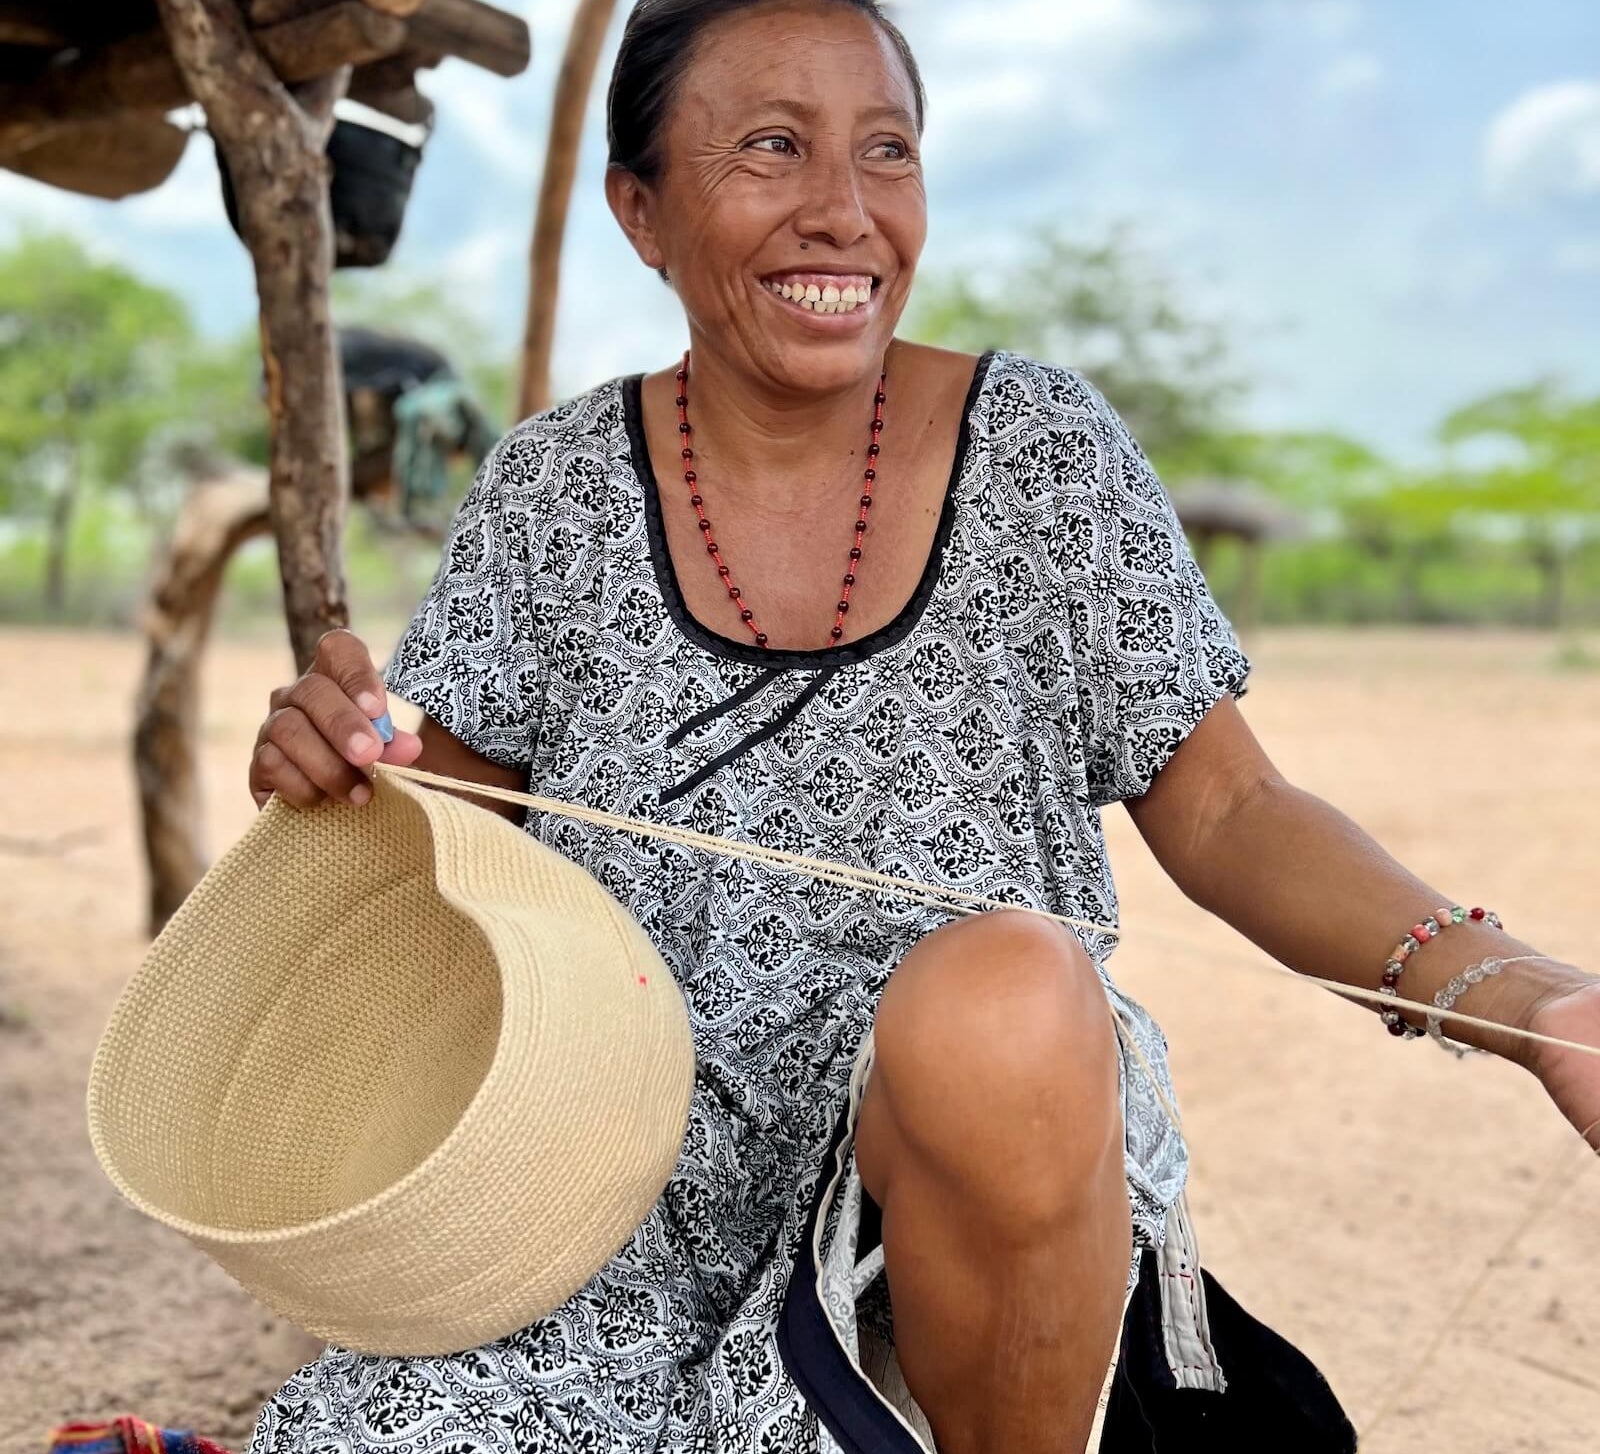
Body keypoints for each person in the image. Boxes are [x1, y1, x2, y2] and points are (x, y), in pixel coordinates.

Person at [243, 2, 1600, 1451]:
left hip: (960, 1186)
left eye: (888, 151)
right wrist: (342, 780)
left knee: (1002, 997)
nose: (845, 212)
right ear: (641, 210)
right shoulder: (548, 491)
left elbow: (1230, 812)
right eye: (773, 146)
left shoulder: (1045, 459)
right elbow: (454, 856)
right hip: (604, 1185)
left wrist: (1526, 1000)